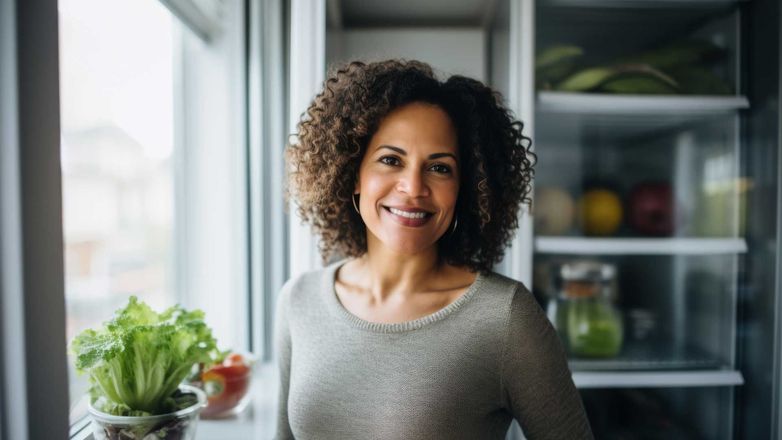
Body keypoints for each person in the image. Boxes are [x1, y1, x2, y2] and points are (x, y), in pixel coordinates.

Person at [275, 59, 593, 439]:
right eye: (390, 160)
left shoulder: (504, 319)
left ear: (466, 189)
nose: (413, 187)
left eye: (440, 168)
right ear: (353, 174)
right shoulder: (298, 301)